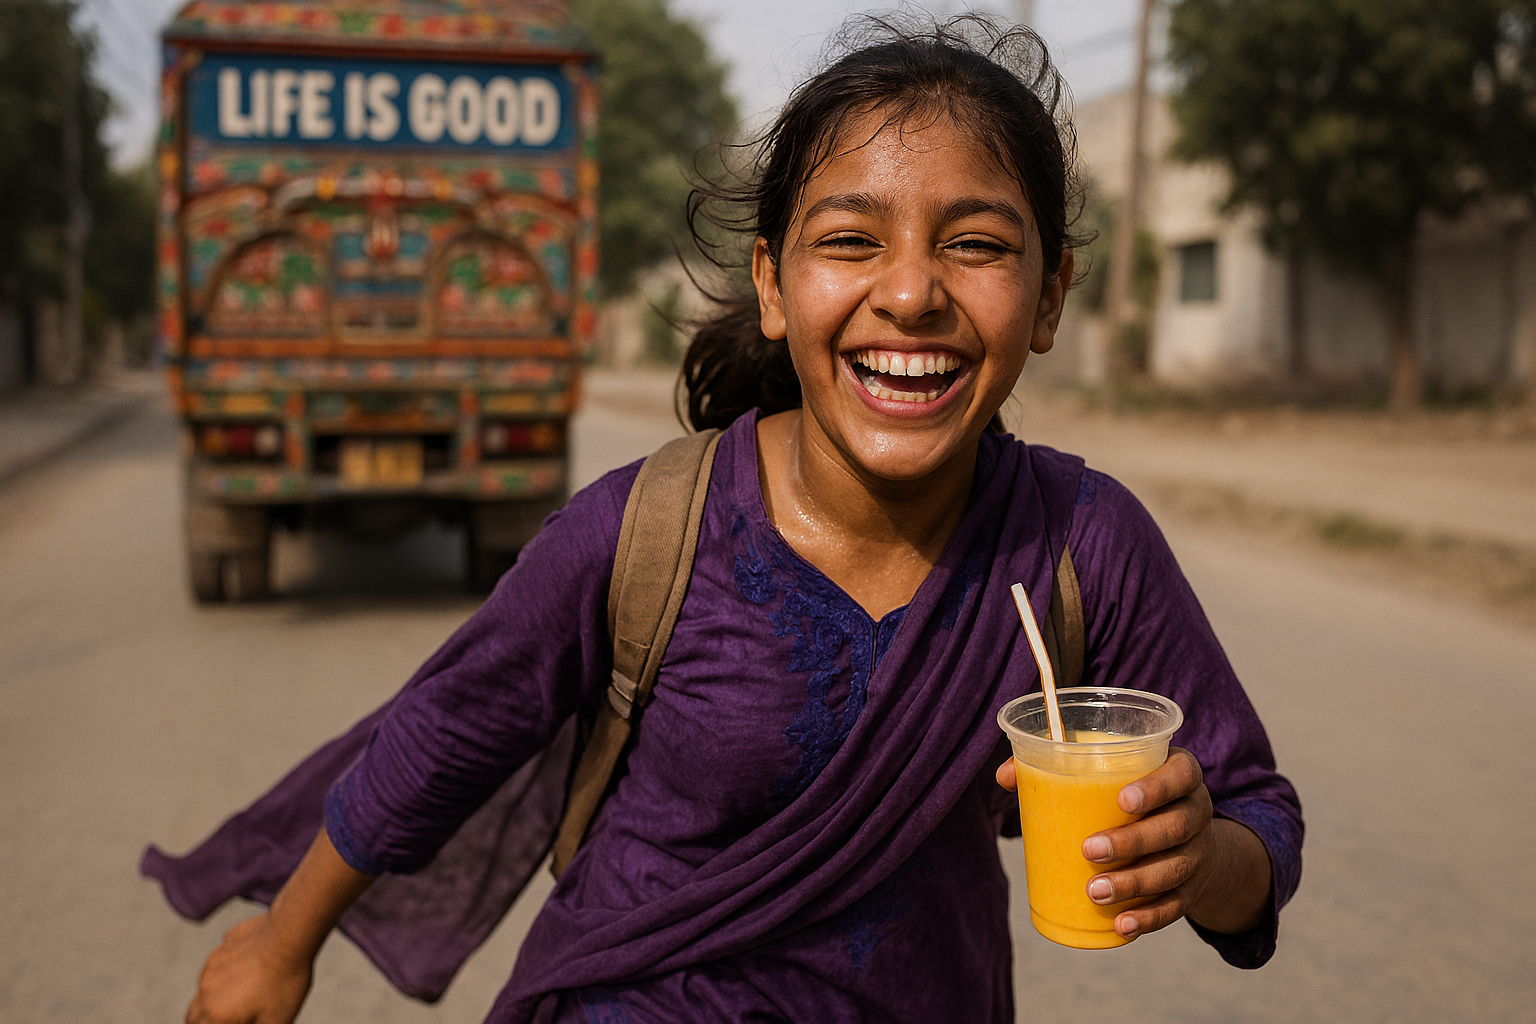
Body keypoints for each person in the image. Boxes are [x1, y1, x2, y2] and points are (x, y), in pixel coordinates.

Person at [158, 14, 1302, 1024]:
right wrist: (280, 940)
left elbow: (1256, 822)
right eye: (851, 240)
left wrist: (1201, 860)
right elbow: (439, 738)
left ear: (1048, 297)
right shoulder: (647, 529)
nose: (910, 292)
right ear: (772, 284)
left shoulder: (1078, 540)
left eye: (978, 244)